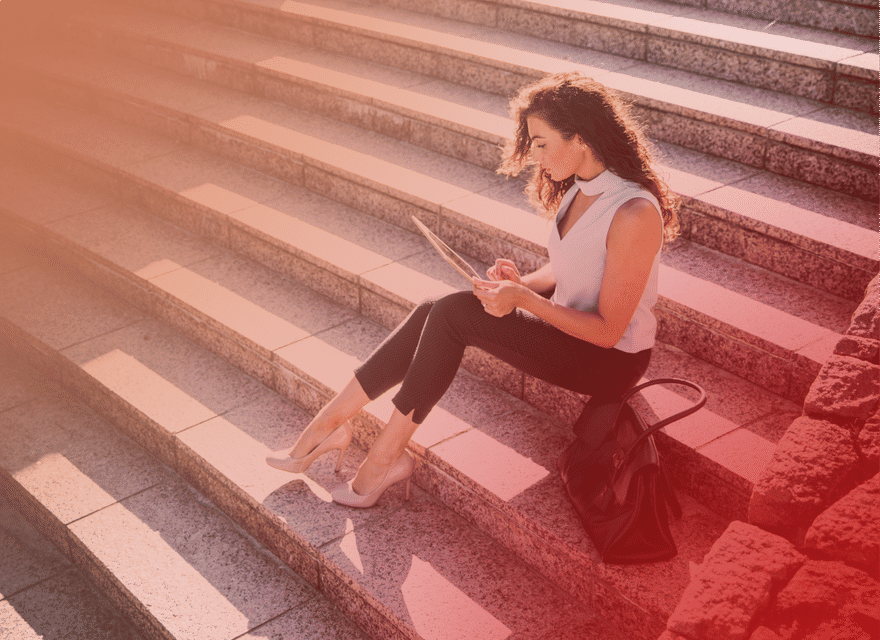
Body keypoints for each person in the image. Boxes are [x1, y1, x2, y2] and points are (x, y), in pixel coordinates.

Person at [266, 71, 681, 508]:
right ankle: (327, 425)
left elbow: (608, 332)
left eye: (541, 143)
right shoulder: (580, 188)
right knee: (434, 307)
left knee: (452, 314)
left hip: (609, 360)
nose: (536, 157)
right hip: (572, 335)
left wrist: (525, 301)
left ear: (579, 137)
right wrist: (519, 284)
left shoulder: (633, 212)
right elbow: (567, 269)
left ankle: (383, 457)